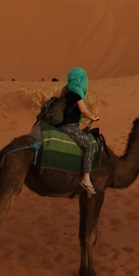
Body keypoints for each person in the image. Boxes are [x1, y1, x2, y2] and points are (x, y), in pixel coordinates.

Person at [59, 67, 100, 196]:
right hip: (69, 127)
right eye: (84, 78)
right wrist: (92, 117)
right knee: (89, 146)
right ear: (79, 80)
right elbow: (83, 110)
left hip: (66, 126)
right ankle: (86, 179)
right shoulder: (75, 94)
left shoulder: (66, 92)